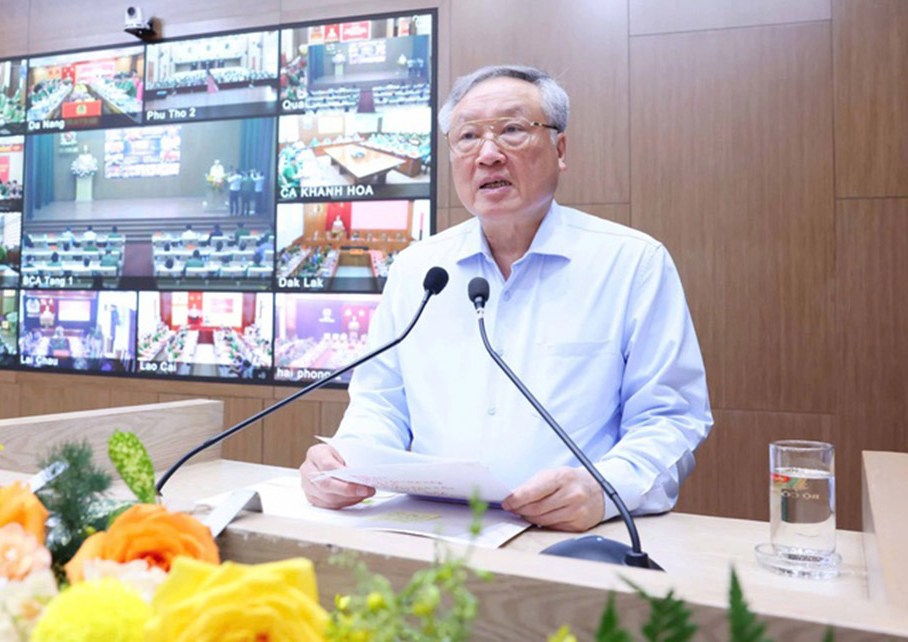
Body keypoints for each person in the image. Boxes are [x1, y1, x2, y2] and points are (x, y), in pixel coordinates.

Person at [299, 65, 713, 533]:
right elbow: (381, 404)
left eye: (512, 130)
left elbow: (670, 418)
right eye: (468, 136)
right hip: (432, 535)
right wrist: (345, 461)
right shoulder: (418, 269)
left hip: (571, 539)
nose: (488, 154)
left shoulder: (631, 263)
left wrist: (605, 489)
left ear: (559, 149)